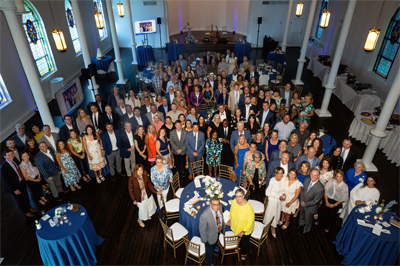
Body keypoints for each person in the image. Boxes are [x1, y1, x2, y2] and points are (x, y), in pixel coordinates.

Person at [1, 149, 36, 216]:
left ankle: (29, 207)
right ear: (4, 156)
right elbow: (6, 181)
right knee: (19, 200)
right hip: (14, 186)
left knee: (25, 196)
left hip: (22, 182)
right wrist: (14, 189)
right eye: (8, 155)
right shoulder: (3, 167)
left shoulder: (15, 160)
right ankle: (25, 211)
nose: (11, 156)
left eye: (12, 154)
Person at [294, 169, 324, 237]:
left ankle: (306, 230)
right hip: (302, 202)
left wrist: (305, 204)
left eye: (315, 175)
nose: (313, 176)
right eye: (312, 174)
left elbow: (316, 201)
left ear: (318, 176)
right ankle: (301, 224)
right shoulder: (307, 179)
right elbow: (303, 190)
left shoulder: (320, 188)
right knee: (301, 215)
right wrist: (301, 200)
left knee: (308, 220)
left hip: (310, 207)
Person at [226, 188, 254, 261]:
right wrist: (230, 219)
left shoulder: (248, 208)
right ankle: (239, 247)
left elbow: (250, 222)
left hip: (245, 229)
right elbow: (231, 211)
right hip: (236, 225)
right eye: (236, 196)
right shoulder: (234, 202)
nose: (238, 198)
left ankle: (244, 253)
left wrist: (243, 231)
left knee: (244, 243)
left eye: (240, 196)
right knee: (238, 239)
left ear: (244, 196)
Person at [199, 196, 225, 266]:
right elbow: (202, 229)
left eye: (217, 204)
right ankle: (209, 262)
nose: (216, 207)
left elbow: (221, 217)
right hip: (209, 238)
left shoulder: (220, 207)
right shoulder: (204, 216)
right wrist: (204, 239)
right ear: (210, 204)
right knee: (209, 251)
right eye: (214, 204)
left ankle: (215, 248)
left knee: (215, 244)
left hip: (217, 233)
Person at [264, 167, 286, 238]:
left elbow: (283, 190)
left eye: (282, 173)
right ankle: (266, 228)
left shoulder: (283, 179)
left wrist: (283, 195)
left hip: (279, 201)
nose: (280, 174)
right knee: (271, 214)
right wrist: (277, 196)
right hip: (273, 201)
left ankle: (273, 228)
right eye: (279, 173)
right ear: (275, 173)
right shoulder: (272, 180)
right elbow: (267, 193)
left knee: (276, 214)